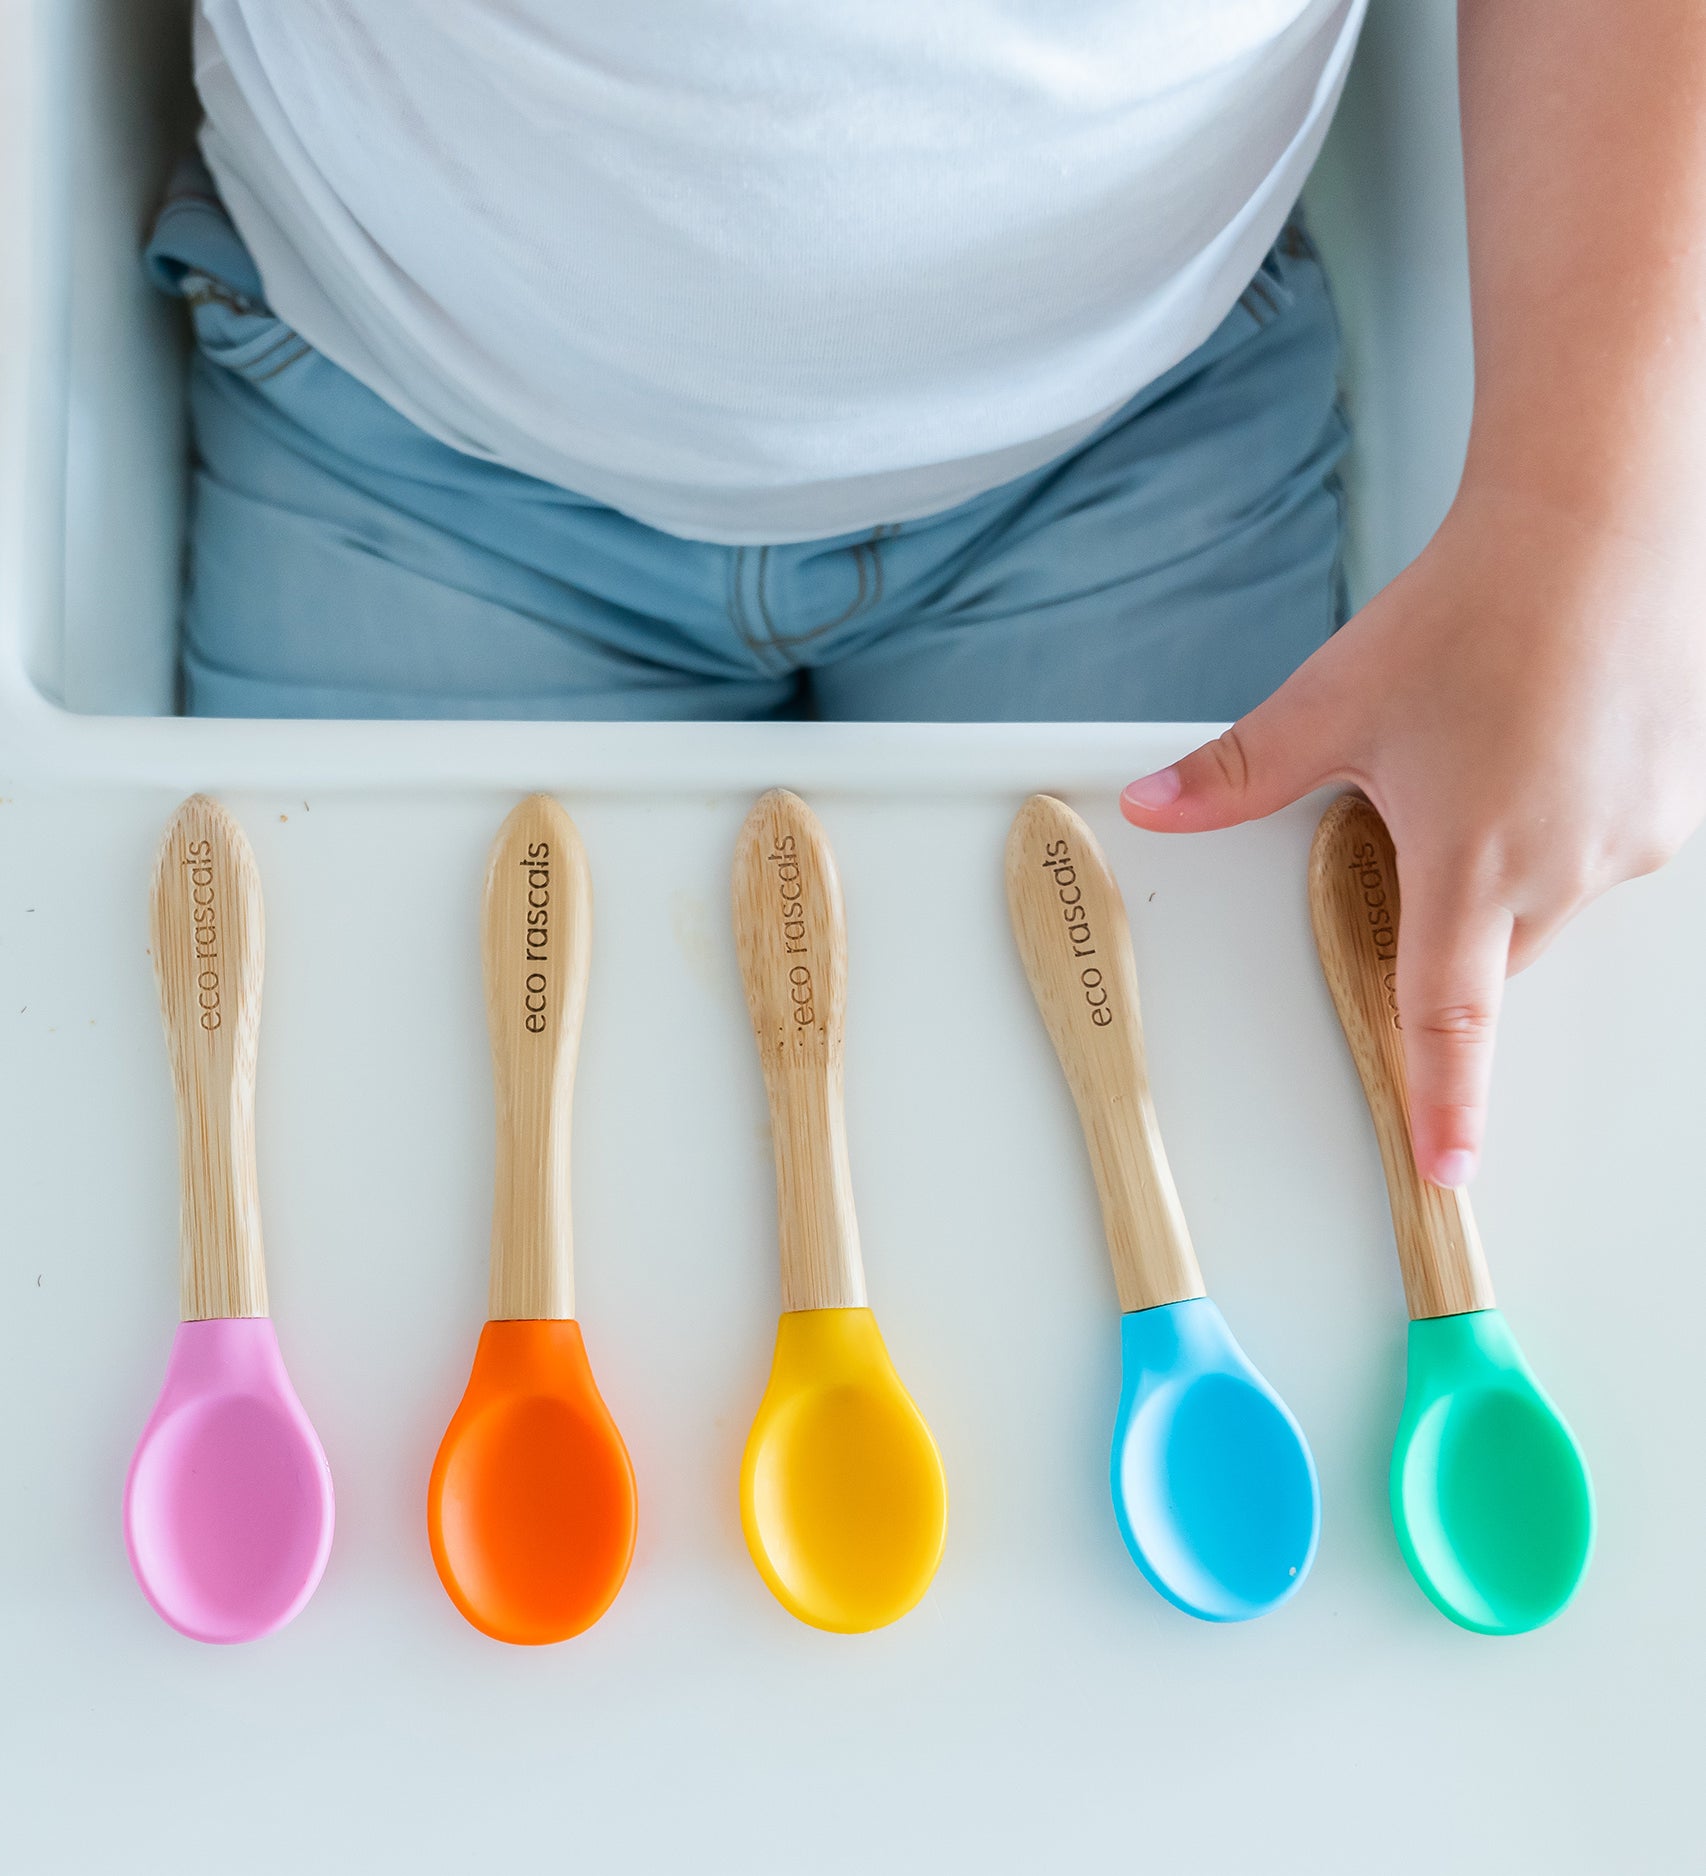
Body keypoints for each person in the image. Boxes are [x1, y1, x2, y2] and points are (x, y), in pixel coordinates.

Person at [154, 1, 1706, 1194]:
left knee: (1201, 1182)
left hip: (1132, 431)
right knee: (382, 1202)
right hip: (402, 424)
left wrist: (1585, 520)